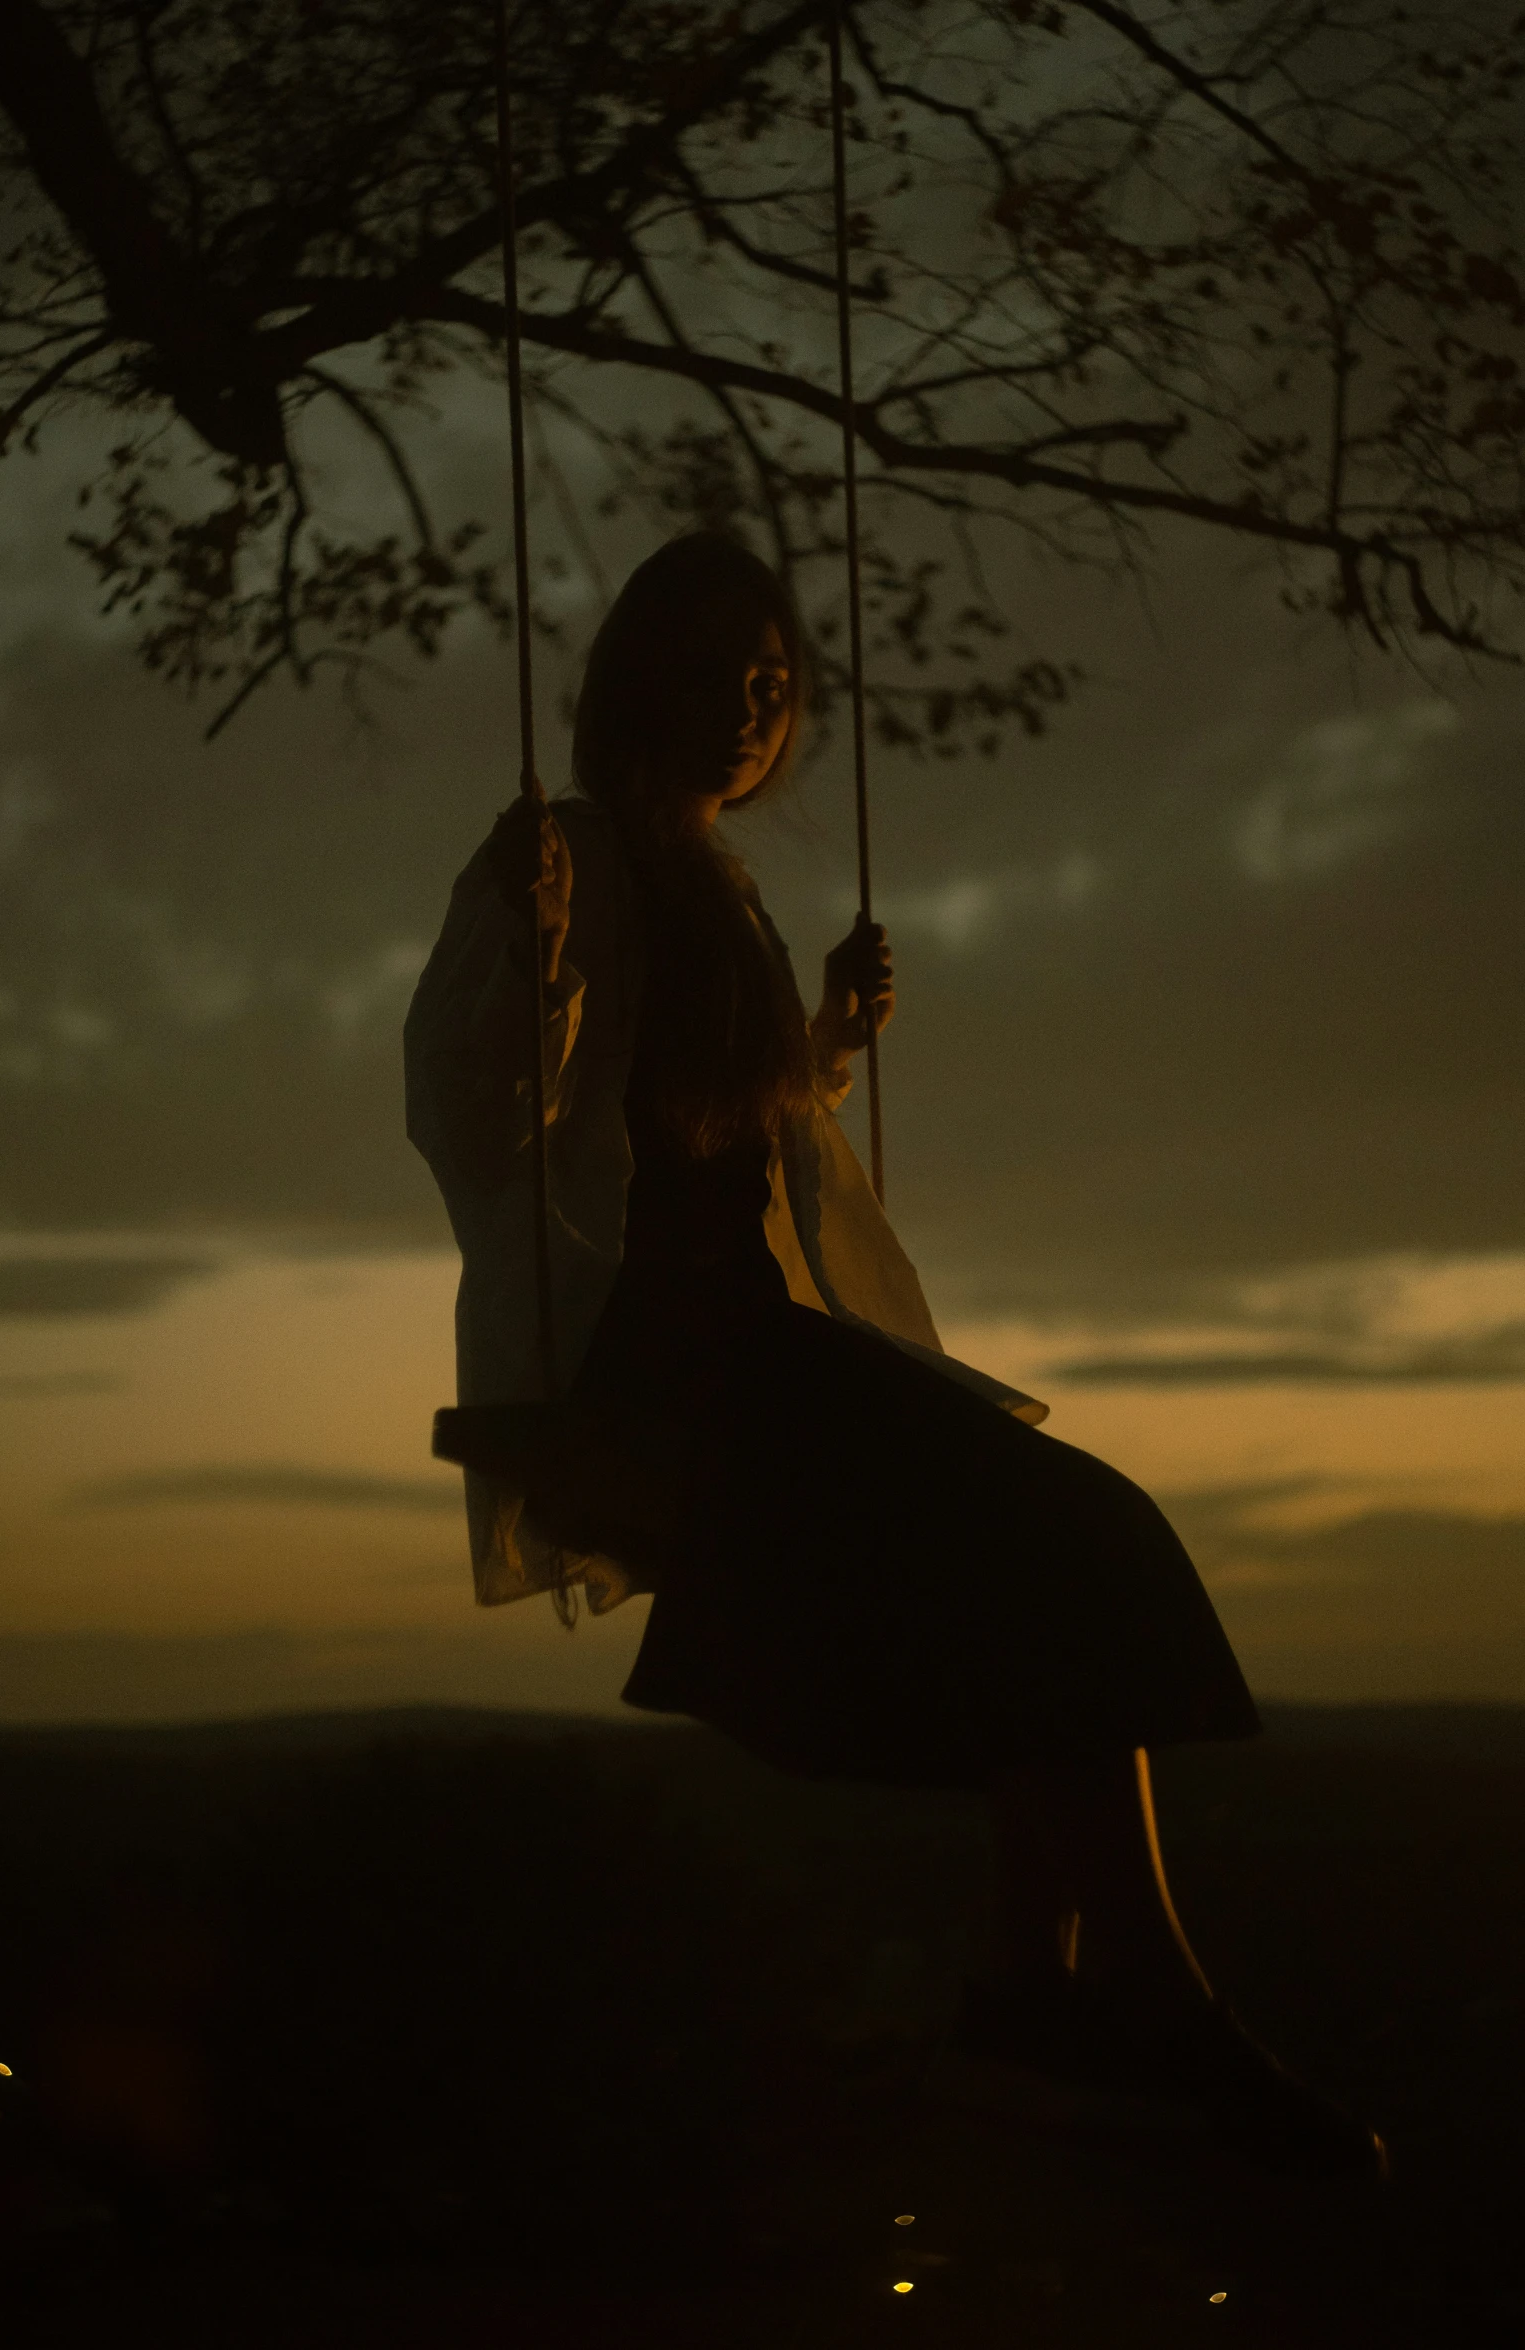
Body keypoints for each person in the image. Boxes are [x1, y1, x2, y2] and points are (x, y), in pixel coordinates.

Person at [403, 531, 1386, 2183]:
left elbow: (727, 1124)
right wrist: (534, 951)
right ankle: (1127, 2000)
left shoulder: (722, 882)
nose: (750, 706)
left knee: (1062, 1559)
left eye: (774, 682)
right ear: (641, 686)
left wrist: (828, 1049)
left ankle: (1039, 1999)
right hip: (665, 1357)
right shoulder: (568, 855)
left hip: (755, 1343)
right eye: (719, 675)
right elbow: (483, 1107)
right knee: (1069, 1536)